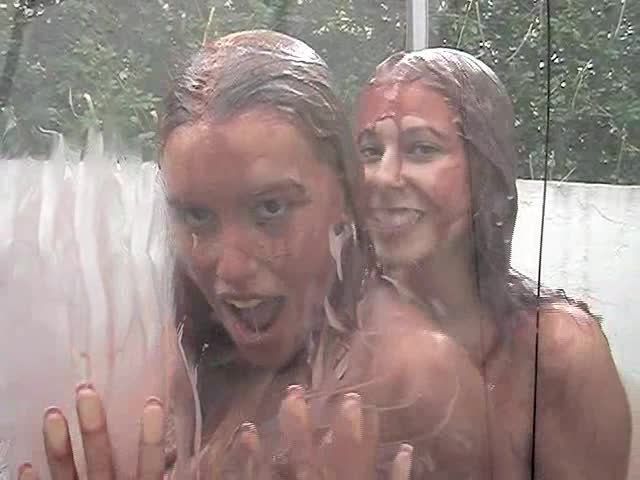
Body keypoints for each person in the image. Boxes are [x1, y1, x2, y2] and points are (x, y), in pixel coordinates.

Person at [19, 33, 490, 480]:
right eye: (197, 217)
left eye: (270, 209)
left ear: (346, 194)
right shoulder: (184, 348)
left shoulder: (416, 378)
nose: (231, 269)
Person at [354, 47, 631, 479]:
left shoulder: (554, 352)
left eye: (422, 149)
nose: (383, 177)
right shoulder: (338, 333)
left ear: (487, 171)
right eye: (370, 152)